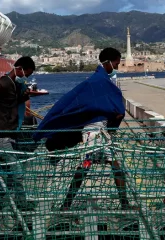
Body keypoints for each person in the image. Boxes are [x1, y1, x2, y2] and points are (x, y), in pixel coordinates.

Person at [33, 48, 135, 211]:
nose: (116, 67)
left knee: (91, 165)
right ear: (108, 62)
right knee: (100, 165)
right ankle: (123, 204)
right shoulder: (99, 82)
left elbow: (87, 103)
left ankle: (68, 204)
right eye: (116, 63)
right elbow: (106, 107)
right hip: (95, 133)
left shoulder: (96, 81)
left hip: (95, 132)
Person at [0, 56, 35, 211]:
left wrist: (25, 96)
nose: (25, 78)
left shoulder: (13, 85)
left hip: (10, 135)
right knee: (16, 172)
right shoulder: (2, 84)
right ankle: (21, 205)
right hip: (1, 136)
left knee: (5, 172)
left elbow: (11, 102)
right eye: (26, 75)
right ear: (19, 69)